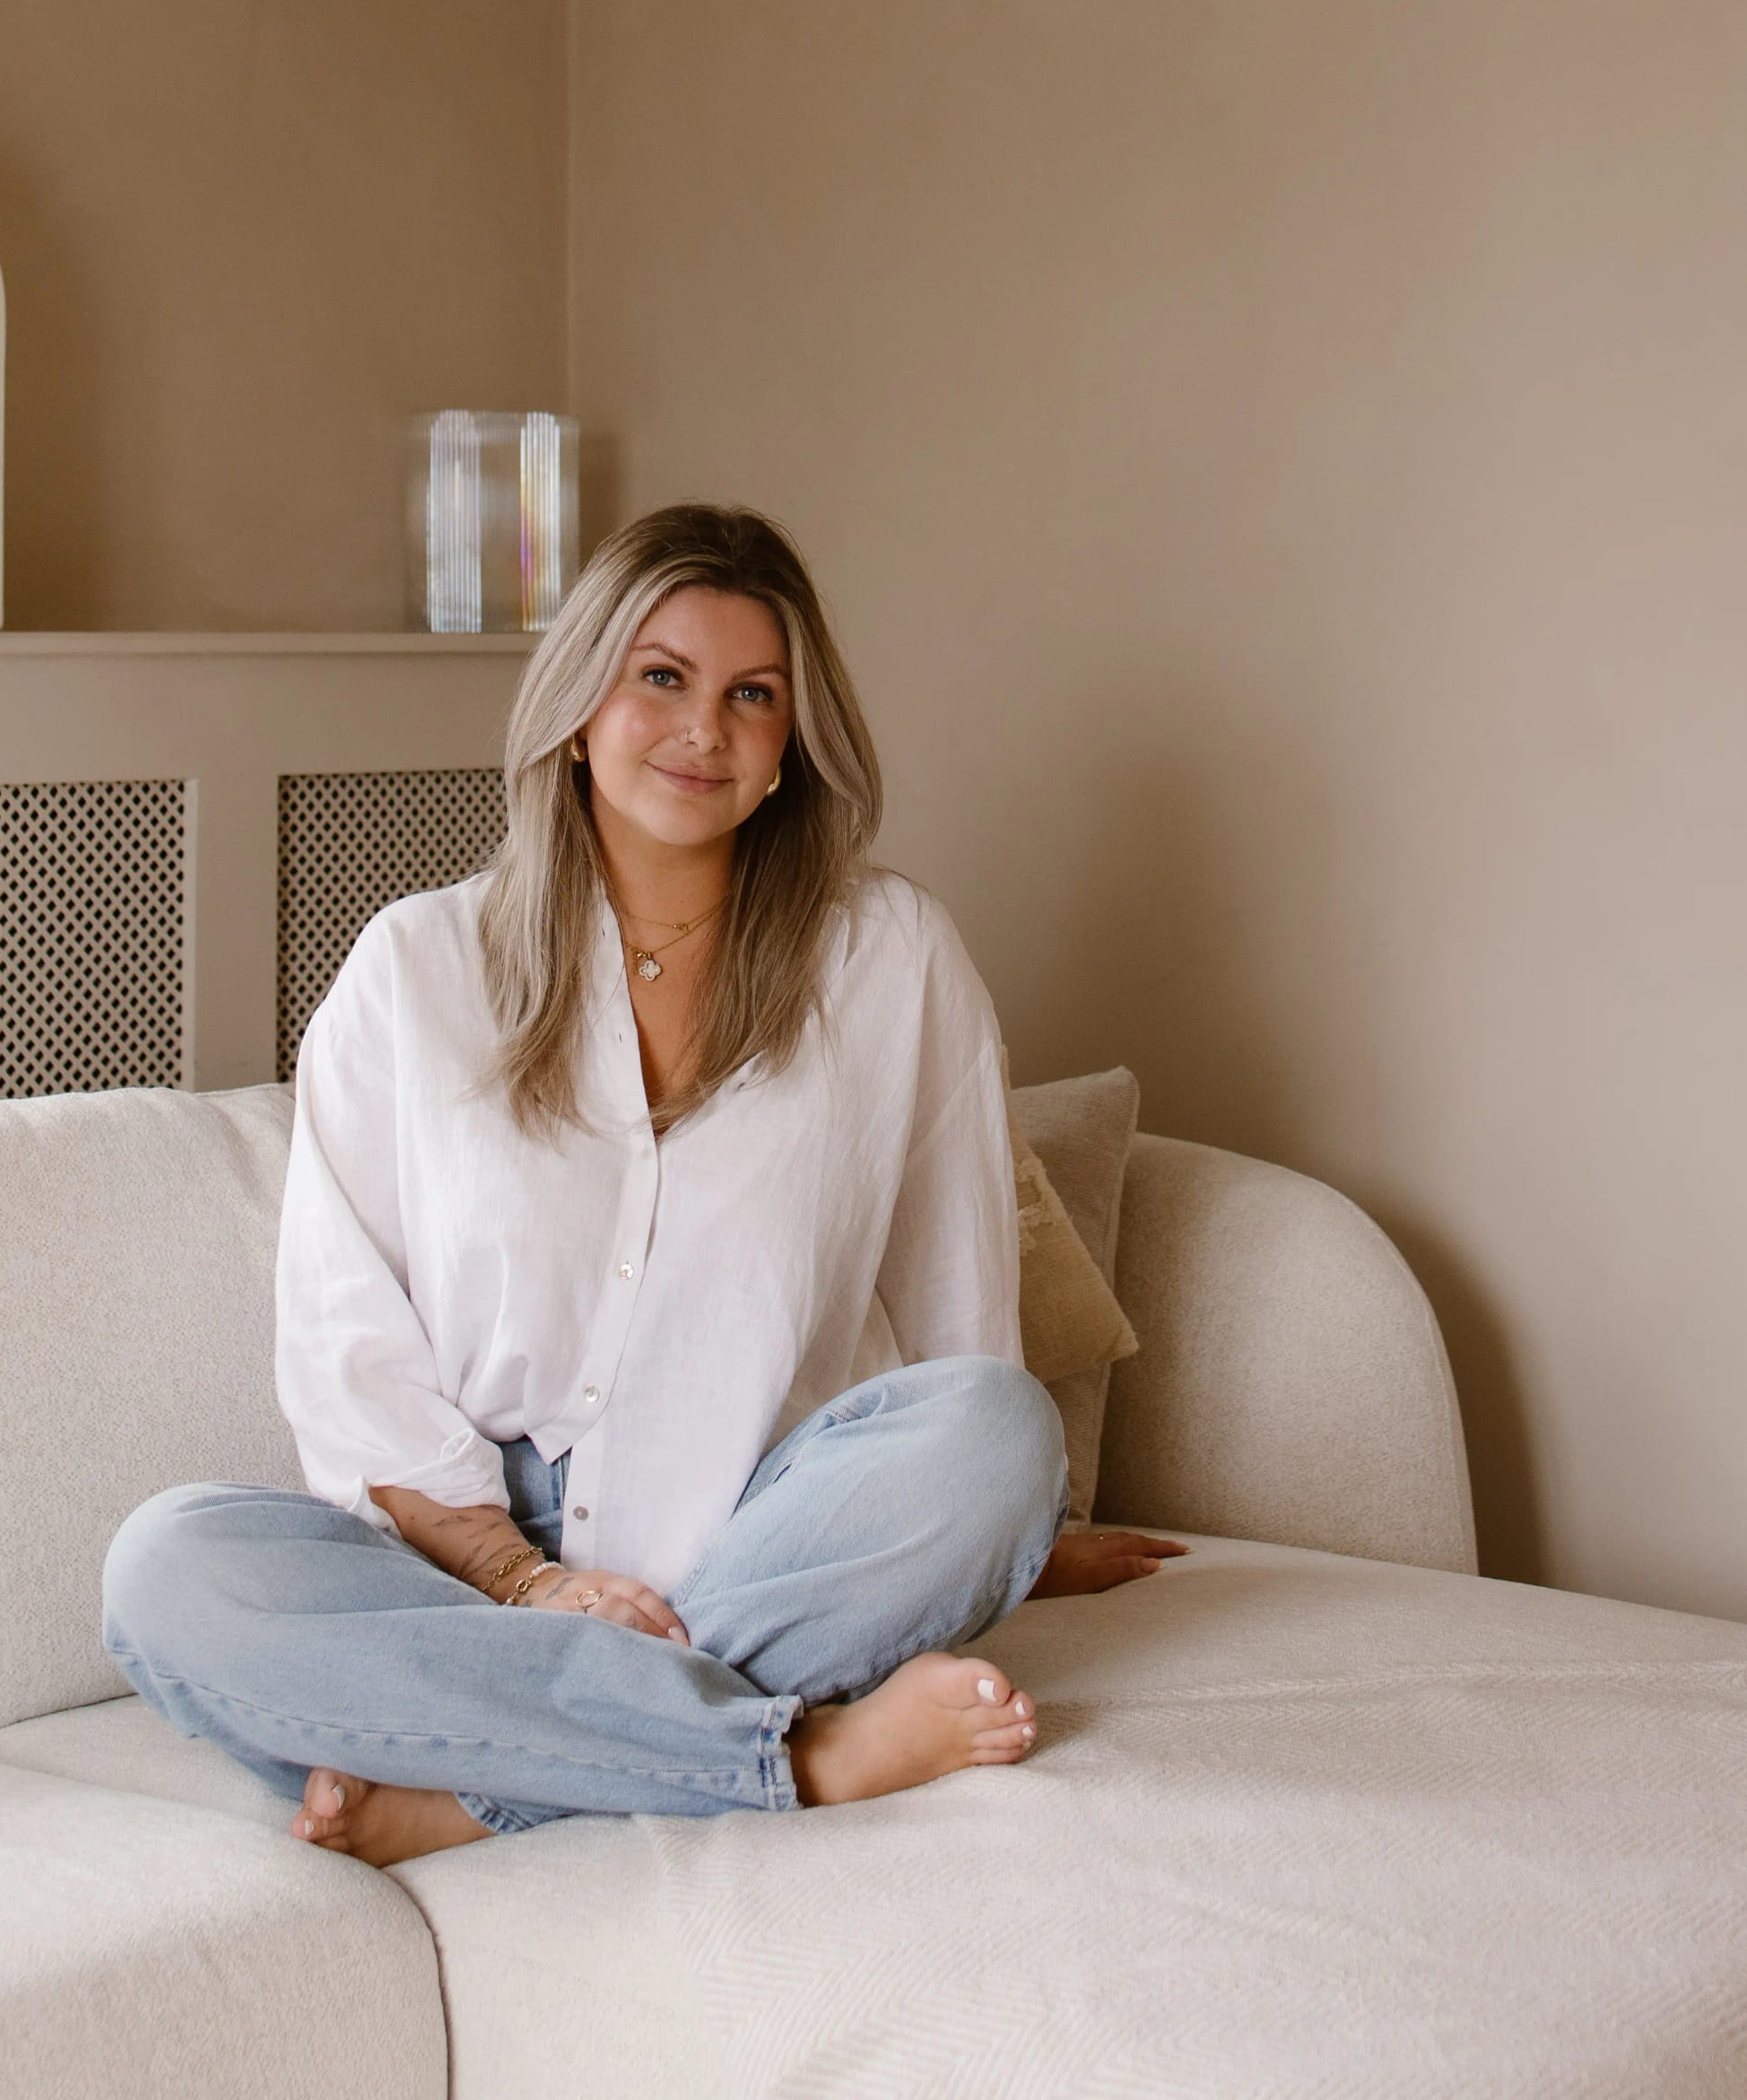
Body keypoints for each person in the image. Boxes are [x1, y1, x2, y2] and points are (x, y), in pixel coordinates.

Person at [102, 503, 1178, 1866]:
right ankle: (803, 1753)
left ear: (794, 743)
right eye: (660, 676)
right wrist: (532, 1579)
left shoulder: (892, 956)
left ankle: (482, 1788)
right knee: (168, 1567)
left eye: (752, 695)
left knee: (999, 1427)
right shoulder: (412, 967)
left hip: (766, 1531)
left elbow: (953, 1295)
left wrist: (1002, 1526)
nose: (703, 728)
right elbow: (345, 1335)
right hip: (469, 1561)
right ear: (576, 706)